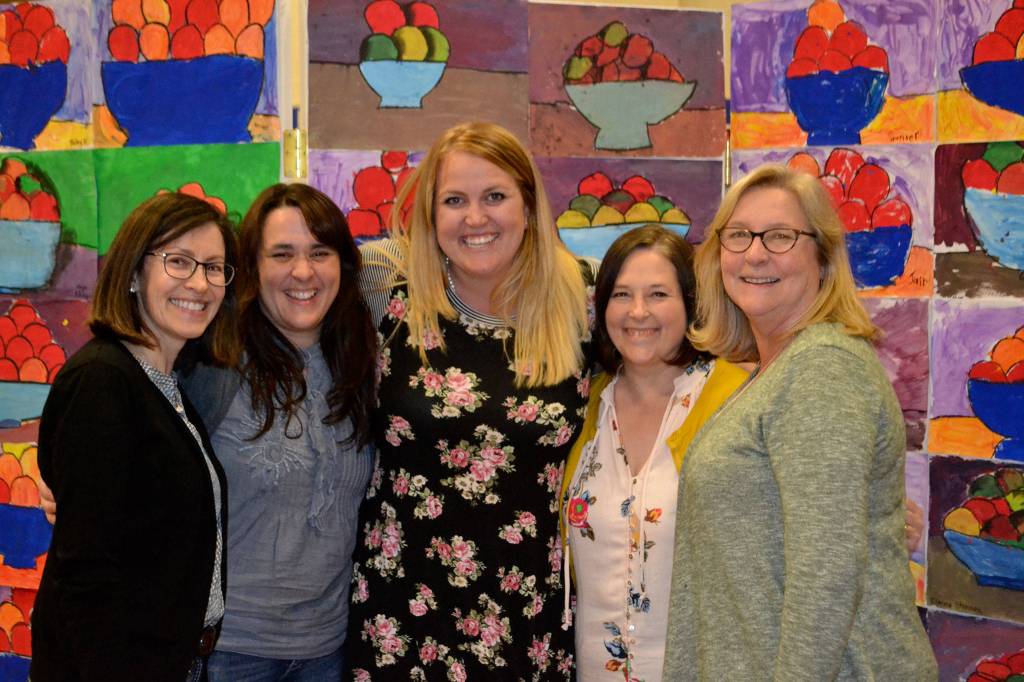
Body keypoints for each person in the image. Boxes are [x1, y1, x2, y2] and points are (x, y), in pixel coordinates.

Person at [662, 165, 937, 680]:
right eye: (738, 235)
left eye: (781, 236)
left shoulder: (821, 368)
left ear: (823, 257)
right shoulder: (777, 371)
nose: (755, 253)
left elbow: (825, 579)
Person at [345, 121, 592, 679]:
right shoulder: (384, 292)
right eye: (454, 200)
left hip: (528, 613)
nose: (475, 218)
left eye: (495, 197)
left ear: (529, 206)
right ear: (430, 218)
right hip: (402, 614)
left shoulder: (584, 303)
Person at [30, 193, 239, 681]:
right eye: (179, 262)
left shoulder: (165, 384)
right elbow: (86, 573)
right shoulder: (103, 381)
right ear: (131, 274)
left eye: (213, 267)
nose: (199, 283)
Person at [178, 183, 378, 680]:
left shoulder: (362, 357)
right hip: (229, 650)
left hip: (328, 649)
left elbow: (409, 256)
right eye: (282, 254)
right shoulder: (213, 362)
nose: (303, 272)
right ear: (252, 267)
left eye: (320, 252)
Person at [559, 225, 748, 681]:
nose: (638, 312)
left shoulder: (735, 399)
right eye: (621, 295)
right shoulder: (584, 407)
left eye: (658, 294)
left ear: (690, 304)